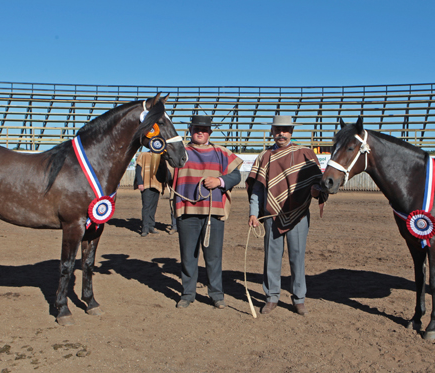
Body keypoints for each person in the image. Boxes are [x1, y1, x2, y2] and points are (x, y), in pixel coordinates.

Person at [246, 115, 327, 316]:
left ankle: (299, 298)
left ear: (291, 131)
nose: (281, 133)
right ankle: (272, 296)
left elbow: (318, 184)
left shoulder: (306, 154)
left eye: (285, 129)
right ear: (272, 131)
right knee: (271, 257)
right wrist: (254, 213)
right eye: (277, 129)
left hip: (298, 215)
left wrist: (317, 191)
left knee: (297, 257)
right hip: (270, 215)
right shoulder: (264, 157)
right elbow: (257, 188)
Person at [171, 115, 243, 309]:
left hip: (214, 212)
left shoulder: (221, 152)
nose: (200, 132)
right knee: (188, 255)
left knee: (213, 256)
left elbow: (235, 175)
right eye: (196, 129)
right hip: (187, 211)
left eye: (204, 129)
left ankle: (216, 294)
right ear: (190, 130)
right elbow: (165, 174)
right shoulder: (180, 152)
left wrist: (219, 181)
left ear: (210, 132)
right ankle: (187, 294)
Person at [134, 152, 167, 237]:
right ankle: (145, 228)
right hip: (146, 184)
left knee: (153, 206)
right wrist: (140, 182)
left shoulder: (161, 156)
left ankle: (151, 226)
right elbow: (138, 169)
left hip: (157, 184)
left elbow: (163, 170)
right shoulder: (143, 155)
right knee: (146, 206)